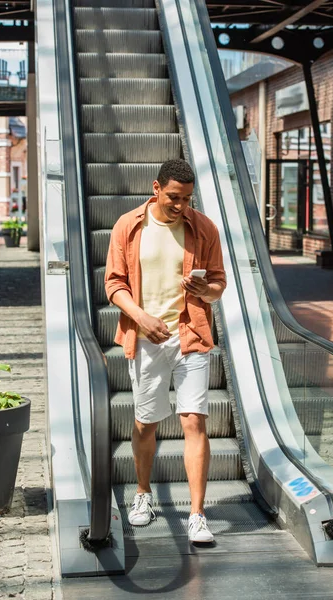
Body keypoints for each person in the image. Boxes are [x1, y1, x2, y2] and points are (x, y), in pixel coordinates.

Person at [105, 158, 226, 543]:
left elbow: (219, 284)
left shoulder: (203, 227)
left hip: (190, 336)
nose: (181, 206)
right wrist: (140, 318)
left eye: (188, 199)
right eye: (174, 197)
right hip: (145, 338)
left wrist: (205, 291)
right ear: (156, 189)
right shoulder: (128, 226)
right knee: (146, 421)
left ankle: (197, 514)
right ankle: (143, 494)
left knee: (194, 421)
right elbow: (114, 283)